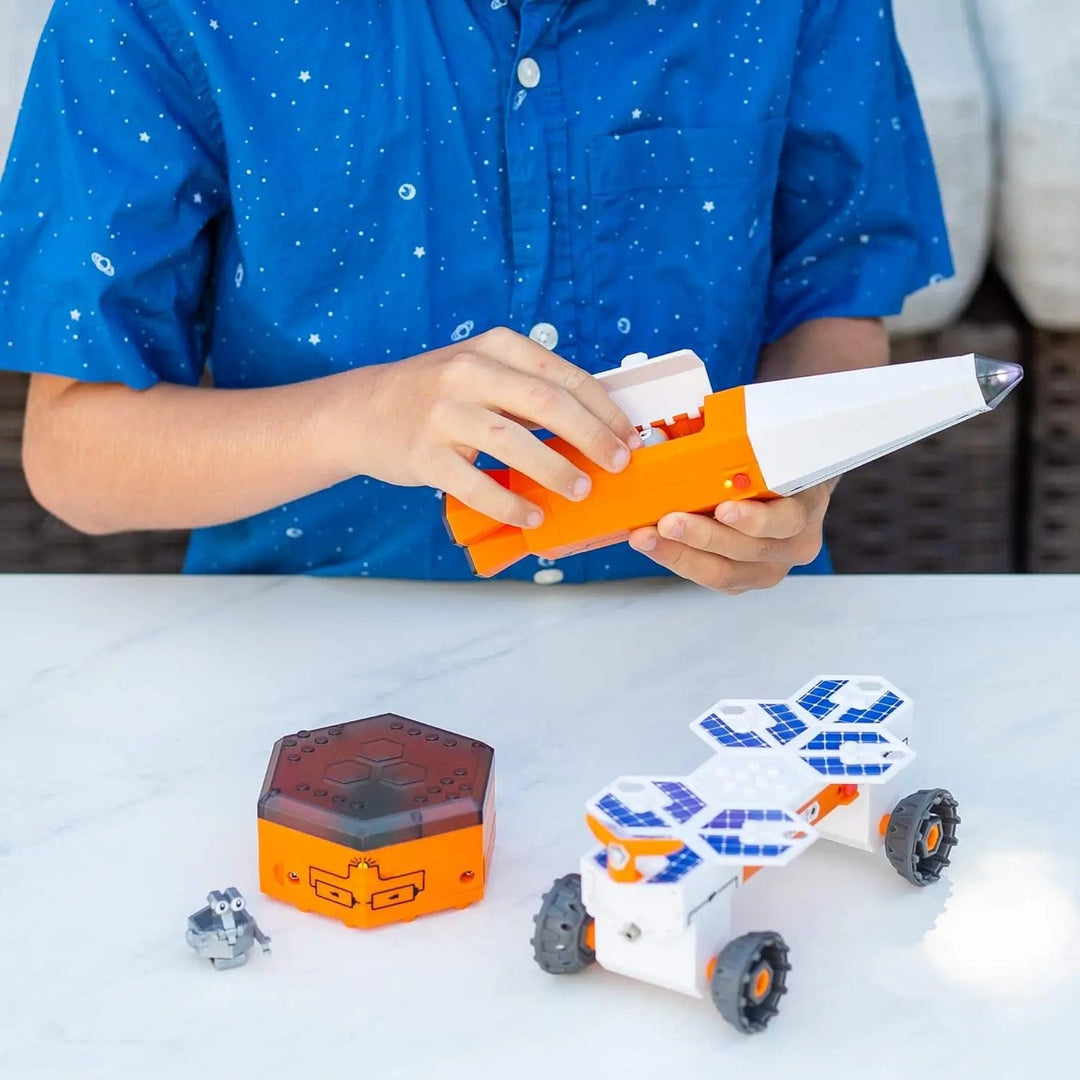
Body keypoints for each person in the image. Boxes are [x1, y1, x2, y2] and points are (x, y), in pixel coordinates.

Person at [0, 0, 951, 591]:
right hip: (309, 644)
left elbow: (834, 297)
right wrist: (362, 417)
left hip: (711, 644)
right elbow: (73, 451)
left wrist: (798, 477)